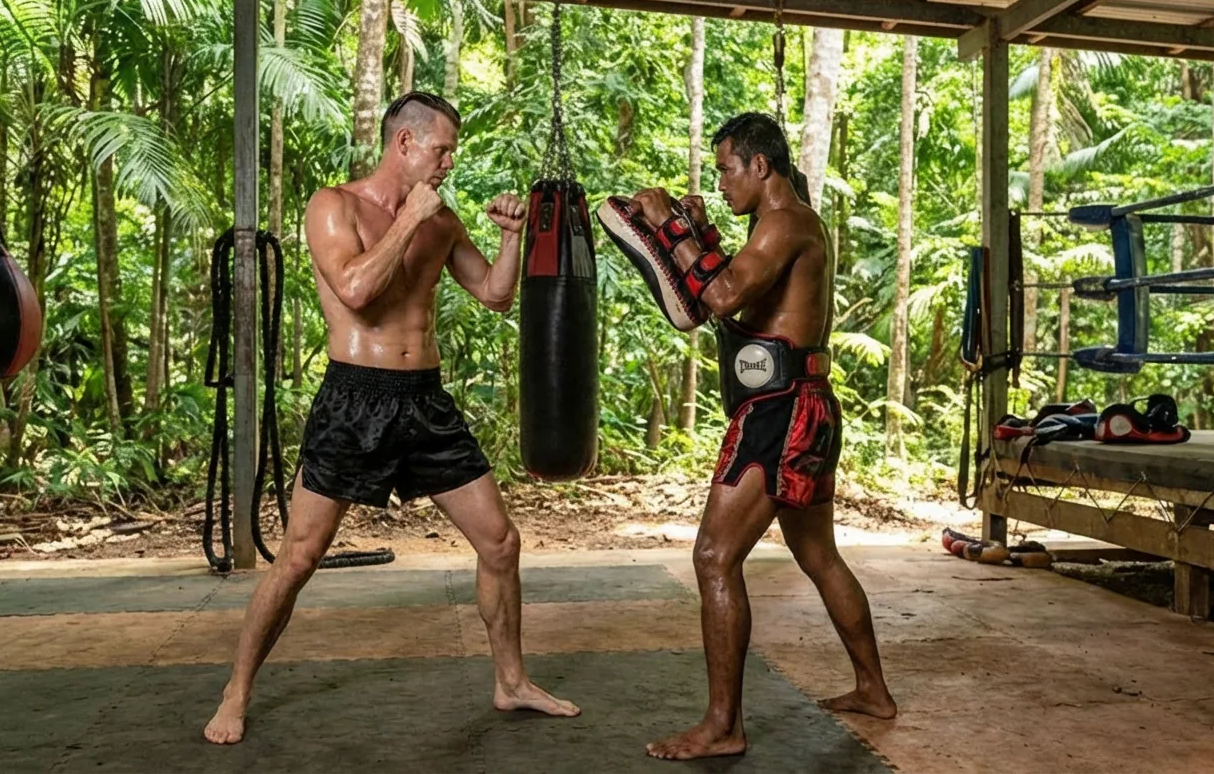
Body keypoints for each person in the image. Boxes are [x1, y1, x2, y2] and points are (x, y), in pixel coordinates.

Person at [204, 92, 579, 745]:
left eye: (452, 152)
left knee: (500, 541)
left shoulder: (441, 219)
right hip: (354, 398)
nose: (449, 163)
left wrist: (512, 238)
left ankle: (511, 681)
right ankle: (235, 693)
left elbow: (493, 294)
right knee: (298, 557)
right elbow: (355, 291)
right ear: (404, 143)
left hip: (425, 401)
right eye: (442, 149)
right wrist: (409, 219)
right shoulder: (334, 206)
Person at [622, 112, 897, 761]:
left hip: (780, 412)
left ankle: (724, 725)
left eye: (724, 169)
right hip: (802, 404)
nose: (719, 182)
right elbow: (745, 299)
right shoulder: (779, 226)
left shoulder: (786, 223)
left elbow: (720, 296)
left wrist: (667, 225)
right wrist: (698, 232)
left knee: (714, 558)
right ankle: (873, 691)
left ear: (759, 165)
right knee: (819, 556)